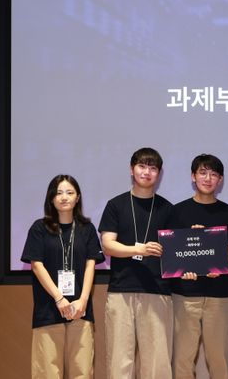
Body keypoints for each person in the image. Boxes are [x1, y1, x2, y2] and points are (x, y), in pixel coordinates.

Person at [98, 147, 175, 379]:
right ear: (132, 170)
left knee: (157, 362)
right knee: (119, 361)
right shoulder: (116, 205)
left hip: (157, 290)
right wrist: (138, 249)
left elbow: (178, 251)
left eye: (153, 168)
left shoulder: (168, 209)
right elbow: (107, 245)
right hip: (121, 290)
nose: (147, 172)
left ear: (159, 174)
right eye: (142, 166)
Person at [21, 174, 105, 379]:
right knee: (47, 372)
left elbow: (90, 265)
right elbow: (36, 265)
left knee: (82, 371)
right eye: (59, 193)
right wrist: (59, 298)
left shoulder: (87, 229)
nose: (64, 197)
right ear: (51, 198)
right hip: (48, 309)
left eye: (69, 192)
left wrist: (83, 300)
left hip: (80, 310)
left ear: (78, 198)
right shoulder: (39, 228)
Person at [169, 154, 228, 379]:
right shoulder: (176, 212)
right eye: (203, 172)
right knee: (182, 360)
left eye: (214, 174)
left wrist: (216, 263)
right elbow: (172, 252)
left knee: (220, 360)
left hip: (218, 296)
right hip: (184, 295)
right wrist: (185, 261)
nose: (208, 178)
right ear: (193, 176)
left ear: (220, 180)